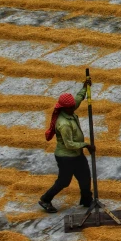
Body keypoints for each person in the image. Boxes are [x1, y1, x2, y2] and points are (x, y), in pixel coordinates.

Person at [39, 78, 95, 213]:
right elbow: (69, 144)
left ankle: (87, 200)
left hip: (76, 154)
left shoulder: (69, 109)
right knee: (64, 181)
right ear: (65, 108)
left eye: (72, 106)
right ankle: (45, 199)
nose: (73, 108)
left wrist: (84, 88)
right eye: (71, 107)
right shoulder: (63, 123)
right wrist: (86, 145)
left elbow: (78, 99)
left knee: (85, 177)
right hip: (65, 157)